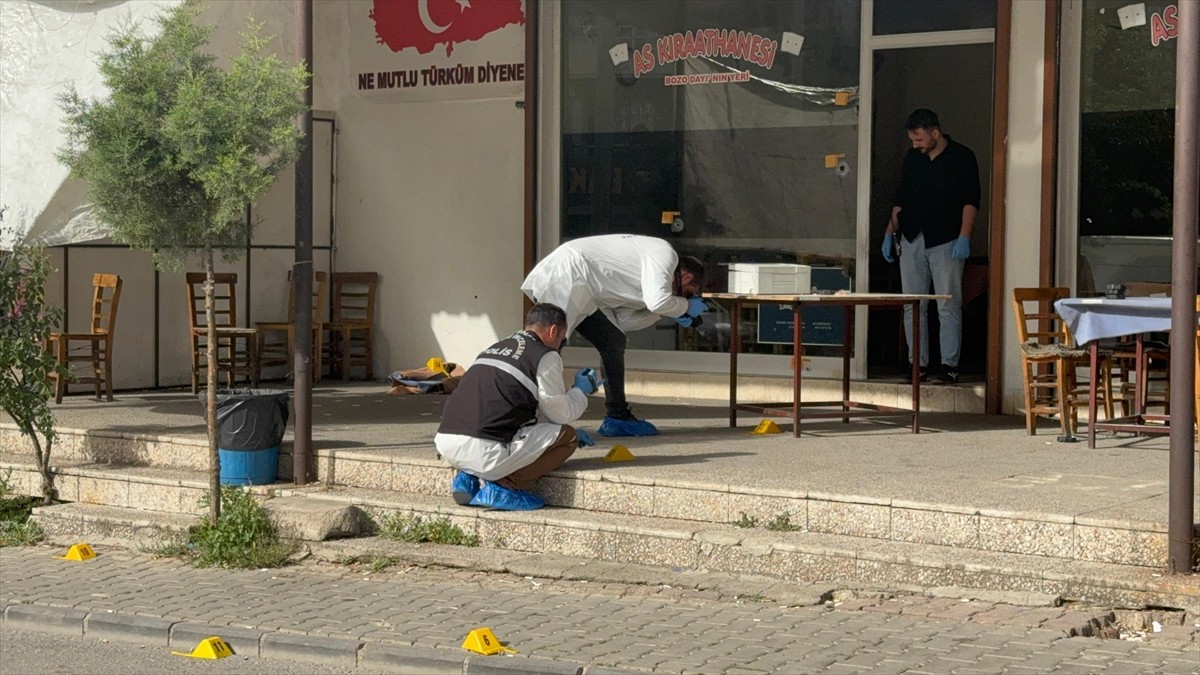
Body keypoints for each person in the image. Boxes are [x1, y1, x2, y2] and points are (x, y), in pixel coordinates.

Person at [520, 234, 707, 437]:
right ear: (687, 278)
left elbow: (624, 321)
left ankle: (617, 416)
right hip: (567, 274)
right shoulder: (665, 254)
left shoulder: (650, 278)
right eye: (689, 292)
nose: (686, 297)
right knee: (548, 347)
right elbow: (659, 301)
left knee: (613, 340)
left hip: (585, 292)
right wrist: (684, 306)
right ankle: (531, 418)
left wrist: (664, 313)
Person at [434, 303, 600, 510]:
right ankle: (504, 488)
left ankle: (467, 477)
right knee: (568, 437)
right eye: (562, 340)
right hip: (485, 450)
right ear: (553, 331)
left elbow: (515, 403)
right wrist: (580, 391)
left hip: (447, 443)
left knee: (492, 429)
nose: (560, 345)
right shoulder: (545, 355)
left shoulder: (495, 347)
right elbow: (561, 413)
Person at [881, 109, 980, 384]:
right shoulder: (913, 159)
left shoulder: (962, 157)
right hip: (911, 236)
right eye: (913, 140)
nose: (916, 145)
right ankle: (917, 365)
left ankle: (949, 365)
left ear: (935, 133)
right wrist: (890, 233)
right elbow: (900, 198)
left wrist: (964, 237)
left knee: (948, 304)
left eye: (920, 139)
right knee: (914, 304)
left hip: (947, 239)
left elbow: (971, 200)